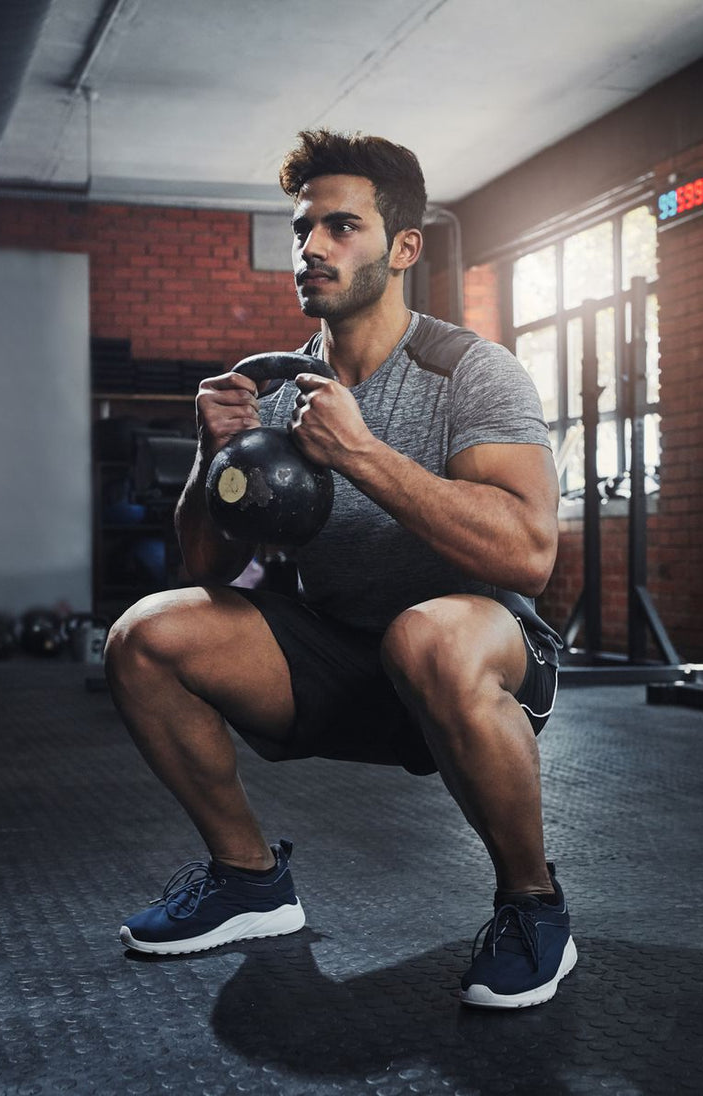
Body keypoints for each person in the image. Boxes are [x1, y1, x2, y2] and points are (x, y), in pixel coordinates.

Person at [104, 129, 575, 1009]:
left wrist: (363, 457)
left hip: (472, 651)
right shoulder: (277, 392)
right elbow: (207, 566)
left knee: (428, 631)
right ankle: (248, 880)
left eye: (342, 227)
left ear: (403, 248)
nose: (314, 247)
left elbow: (528, 556)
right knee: (144, 636)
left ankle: (532, 905)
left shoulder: (471, 372)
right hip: (339, 655)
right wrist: (215, 457)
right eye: (303, 229)